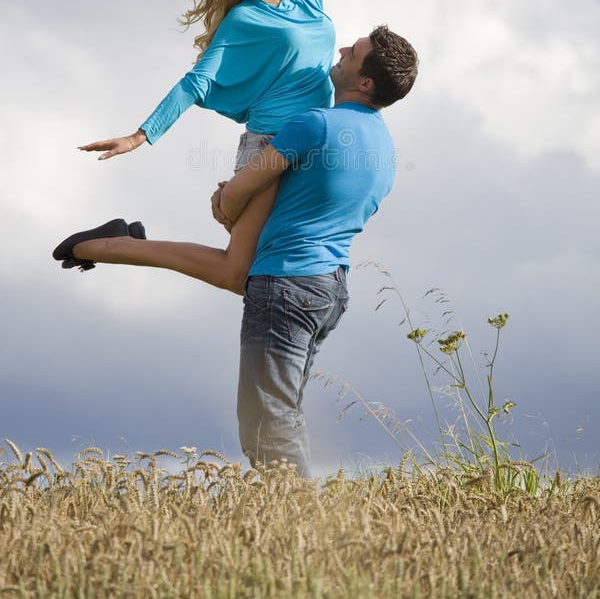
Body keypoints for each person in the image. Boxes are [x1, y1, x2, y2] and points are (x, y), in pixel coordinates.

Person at [53, 25, 419, 477]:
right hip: (330, 290)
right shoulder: (384, 148)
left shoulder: (314, 124)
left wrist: (227, 201)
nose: (342, 49)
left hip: (286, 283)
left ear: (364, 83)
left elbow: (236, 193)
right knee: (282, 414)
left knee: (268, 424)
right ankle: (105, 245)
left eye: (353, 53)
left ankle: (304, 527)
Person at [69, 0, 335, 293]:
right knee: (241, 275)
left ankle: (117, 242)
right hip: (269, 147)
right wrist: (140, 135)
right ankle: (102, 246)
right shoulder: (244, 19)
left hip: (310, 144)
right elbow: (198, 81)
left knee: (272, 274)